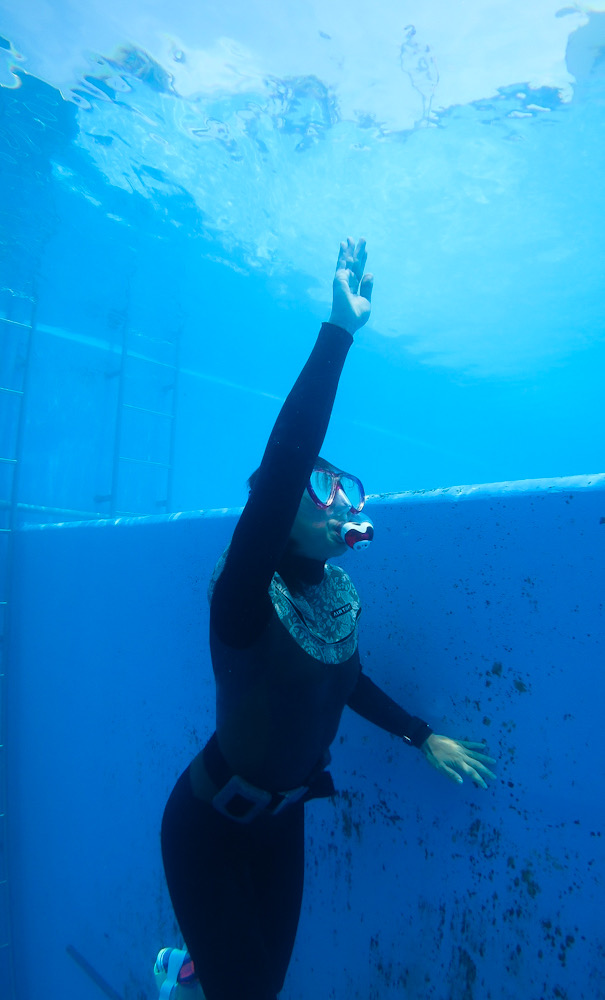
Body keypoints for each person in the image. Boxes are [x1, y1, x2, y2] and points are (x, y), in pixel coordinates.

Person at [160, 238, 496, 1000]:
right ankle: (186, 973)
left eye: (347, 488)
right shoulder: (243, 590)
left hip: (284, 821)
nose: (342, 501)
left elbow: (338, 683)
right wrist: (337, 332)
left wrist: (421, 735)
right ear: (281, 516)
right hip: (206, 825)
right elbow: (282, 467)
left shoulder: (331, 597)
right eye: (324, 489)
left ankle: (185, 971)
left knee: (261, 986)